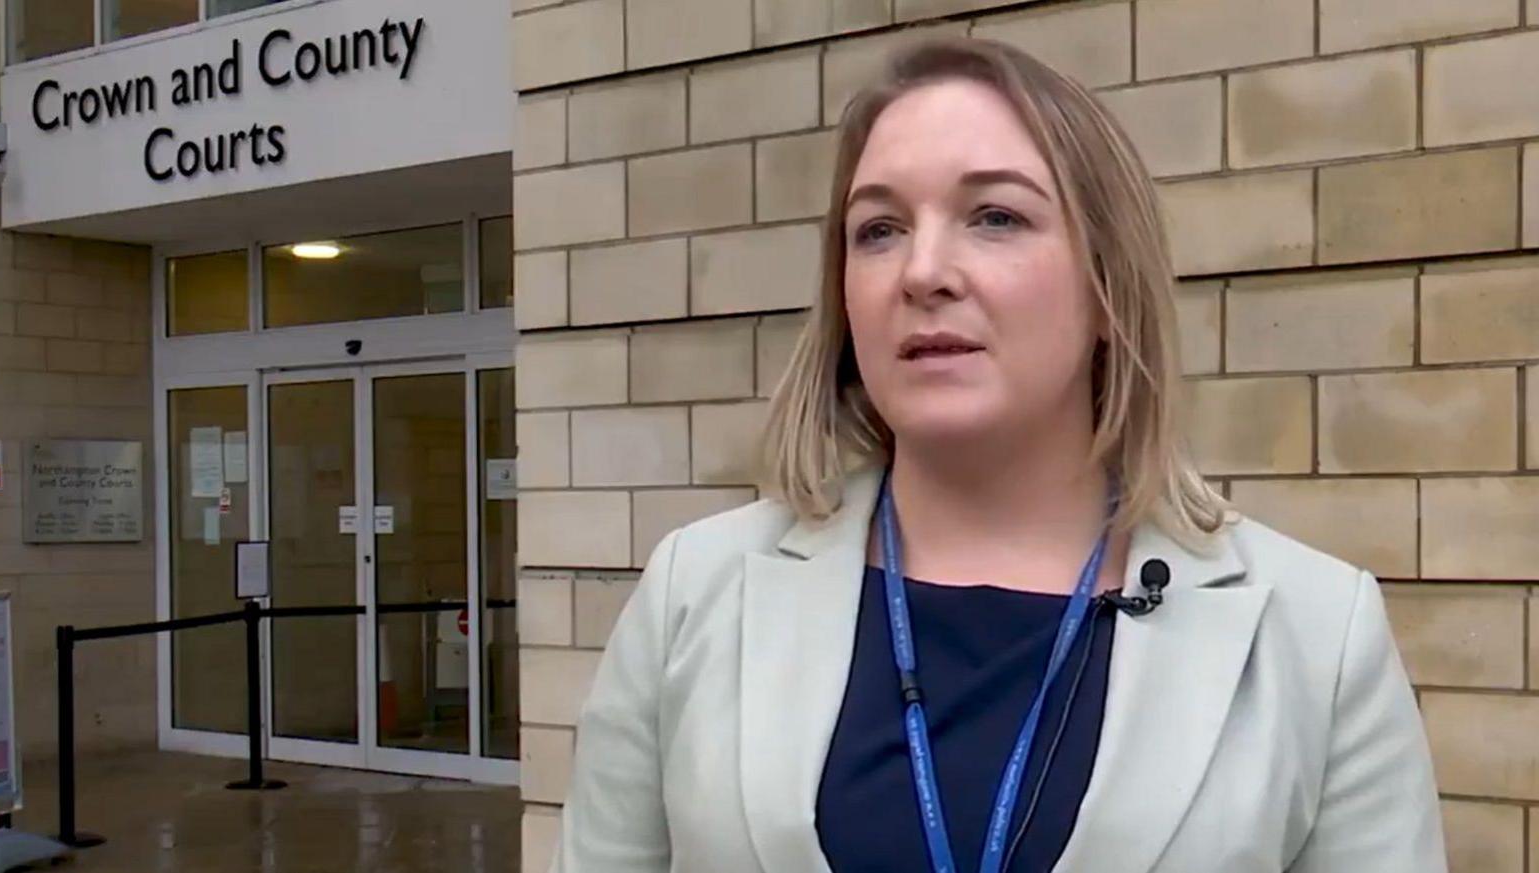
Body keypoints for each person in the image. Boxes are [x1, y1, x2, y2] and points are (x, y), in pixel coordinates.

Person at [550, 36, 1446, 873]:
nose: (923, 270)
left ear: (1107, 286)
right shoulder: (695, 592)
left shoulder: (1316, 634)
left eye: (994, 216)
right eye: (879, 229)